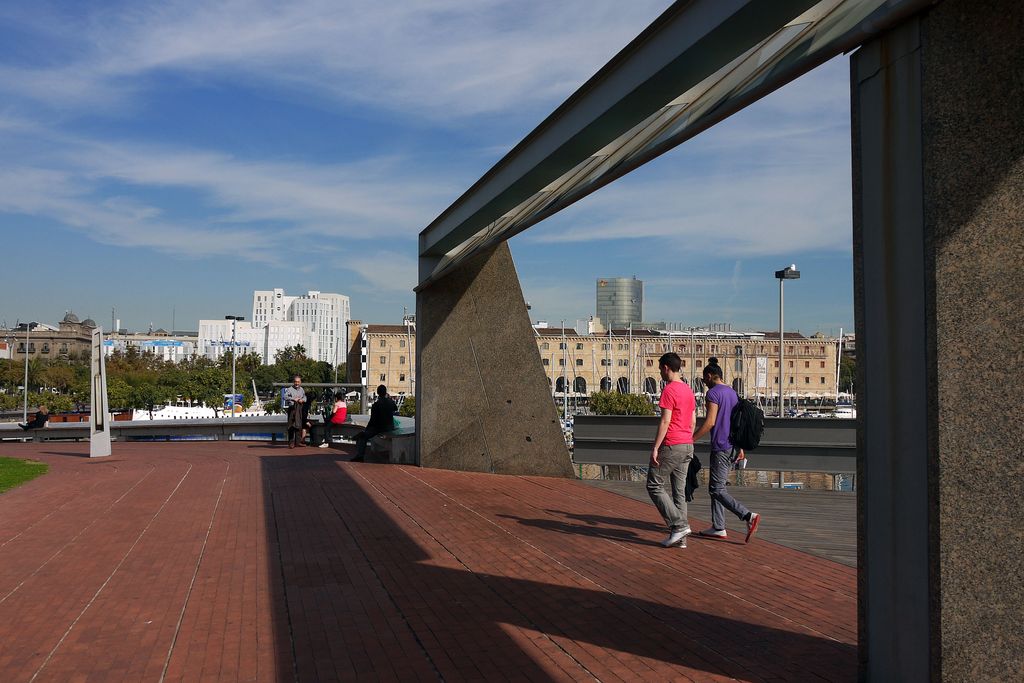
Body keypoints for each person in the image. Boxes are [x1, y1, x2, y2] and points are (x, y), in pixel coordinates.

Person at [693, 358, 761, 543]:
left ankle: (748, 516)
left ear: (709, 376)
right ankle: (718, 526)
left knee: (716, 489)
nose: (704, 383)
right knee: (716, 487)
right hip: (732, 447)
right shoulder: (732, 392)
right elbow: (737, 423)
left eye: (703, 379)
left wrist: (691, 439)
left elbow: (710, 422)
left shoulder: (713, 394)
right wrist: (739, 448)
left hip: (721, 447)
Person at [647, 353, 696, 548]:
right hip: (687, 445)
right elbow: (693, 421)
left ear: (666, 367)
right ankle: (681, 539)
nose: (660, 373)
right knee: (679, 493)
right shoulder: (688, 390)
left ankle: (679, 525)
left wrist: (656, 447)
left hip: (672, 444)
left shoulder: (669, 390)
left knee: (654, 485)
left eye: (660, 369)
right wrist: (687, 439)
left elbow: (665, 420)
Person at [353, 385, 397, 462]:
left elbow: (372, 420)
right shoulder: (391, 402)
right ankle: (359, 455)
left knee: (362, 437)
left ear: (377, 393)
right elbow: (395, 408)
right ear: (385, 392)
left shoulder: (376, 405)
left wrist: (366, 430)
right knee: (363, 434)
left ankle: (360, 456)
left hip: (379, 428)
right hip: (390, 427)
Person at [283, 375, 307, 449]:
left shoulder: (302, 389)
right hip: (292, 409)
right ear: (294, 382)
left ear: (300, 382)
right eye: (295, 382)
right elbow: (285, 397)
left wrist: (302, 400)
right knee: (291, 425)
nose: (297, 383)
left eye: (298, 382)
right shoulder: (289, 389)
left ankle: (298, 442)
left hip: (299, 409)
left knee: (298, 425)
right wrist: (293, 399)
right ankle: (291, 443)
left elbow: (305, 397)